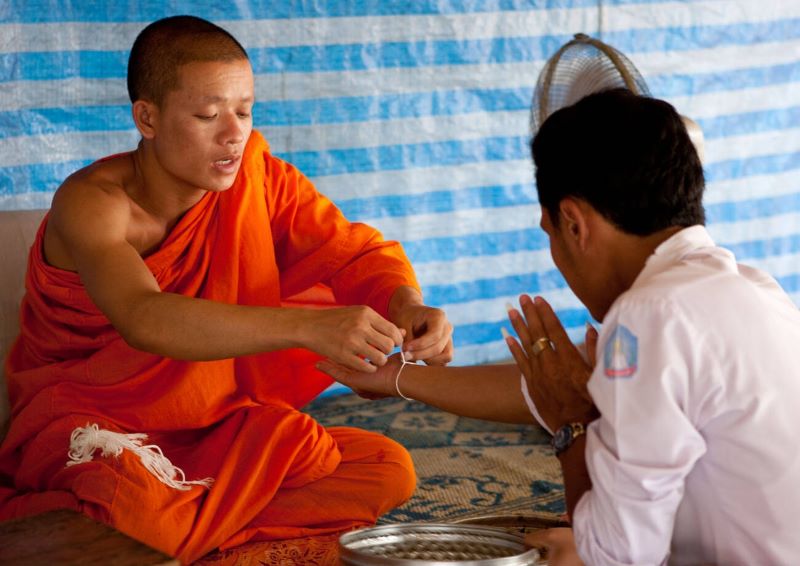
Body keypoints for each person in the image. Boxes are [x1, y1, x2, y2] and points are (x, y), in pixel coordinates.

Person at [0, 15, 453, 563]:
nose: (234, 134)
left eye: (244, 111)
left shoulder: (260, 181)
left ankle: (178, 523)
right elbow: (145, 317)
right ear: (147, 117)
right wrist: (310, 328)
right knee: (125, 505)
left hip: (213, 423)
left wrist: (406, 304)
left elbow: (354, 252)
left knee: (386, 469)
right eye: (208, 115)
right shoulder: (93, 203)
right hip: (97, 427)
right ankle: (170, 520)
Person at [318, 88, 800, 564]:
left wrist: (570, 428)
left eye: (550, 232)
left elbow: (614, 556)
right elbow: (555, 382)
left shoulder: (649, 315)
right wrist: (396, 377)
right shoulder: (755, 290)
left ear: (573, 222)